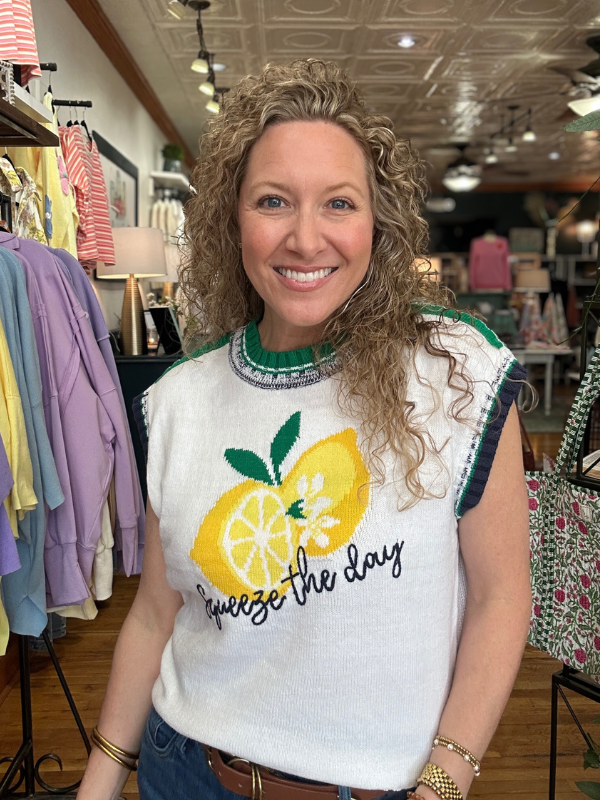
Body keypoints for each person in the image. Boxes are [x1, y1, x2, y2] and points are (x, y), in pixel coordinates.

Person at [77, 60, 531, 800]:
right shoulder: (179, 401)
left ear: (377, 222)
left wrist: (446, 780)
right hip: (185, 770)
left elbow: (501, 597)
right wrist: (100, 780)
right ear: (233, 218)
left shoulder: (457, 373)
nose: (305, 238)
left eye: (339, 203)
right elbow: (157, 613)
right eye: (273, 201)